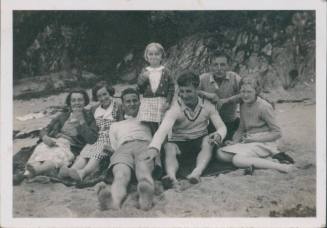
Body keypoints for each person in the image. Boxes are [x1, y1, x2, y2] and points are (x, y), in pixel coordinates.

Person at [143, 71, 227, 188]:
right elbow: (163, 130)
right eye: (181, 91)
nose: (184, 95)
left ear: (197, 90)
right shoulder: (175, 108)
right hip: (180, 142)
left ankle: (196, 172)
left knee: (209, 140)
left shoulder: (208, 105)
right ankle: (171, 176)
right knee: (169, 146)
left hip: (200, 141)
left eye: (188, 91)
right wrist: (153, 147)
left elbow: (222, 127)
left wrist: (219, 135)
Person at [97, 88, 160, 211]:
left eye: (134, 100)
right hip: (123, 148)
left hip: (144, 144)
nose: (132, 104)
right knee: (121, 175)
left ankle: (145, 198)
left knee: (143, 170)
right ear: (123, 105)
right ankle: (114, 202)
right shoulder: (115, 125)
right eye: (128, 101)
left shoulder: (148, 120)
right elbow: (115, 147)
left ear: (139, 102)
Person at [216, 76, 295, 173]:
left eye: (249, 92)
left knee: (237, 160)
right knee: (220, 154)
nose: (245, 95)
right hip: (249, 141)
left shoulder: (264, 107)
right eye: (243, 92)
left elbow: (277, 133)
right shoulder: (243, 104)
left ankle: (280, 167)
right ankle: (265, 160)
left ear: (256, 92)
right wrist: (234, 141)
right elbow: (241, 128)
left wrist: (254, 139)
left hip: (264, 142)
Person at [24, 89, 98, 178]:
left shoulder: (90, 117)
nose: (77, 103)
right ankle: (28, 174)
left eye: (80, 100)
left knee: (54, 157)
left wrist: (81, 122)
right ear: (70, 103)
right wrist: (45, 137)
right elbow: (45, 129)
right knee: (40, 153)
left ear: (85, 101)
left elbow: (92, 139)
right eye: (73, 100)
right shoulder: (63, 116)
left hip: (70, 146)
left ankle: (35, 171)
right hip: (54, 141)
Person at [59, 81, 123, 181]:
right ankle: (72, 170)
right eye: (99, 96)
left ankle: (83, 173)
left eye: (105, 94)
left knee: (97, 154)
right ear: (96, 98)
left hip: (111, 139)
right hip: (97, 138)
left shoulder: (118, 106)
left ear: (110, 93)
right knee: (85, 153)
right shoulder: (95, 109)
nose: (103, 98)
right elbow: (90, 125)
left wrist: (116, 145)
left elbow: (122, 126)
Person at [198, 52, 241, 140]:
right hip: (206, 123)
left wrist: (227, 100)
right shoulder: (203, 78)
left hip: (229, 122)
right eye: (215, 65)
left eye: (222, 65)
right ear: (210, 66)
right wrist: (207, 95)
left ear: (228, 66)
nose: (219, 69)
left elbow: (247, 94)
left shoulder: (235, 78)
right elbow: (189, 91)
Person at [137, 42, 175, 134]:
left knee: (163, 124)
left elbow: (171, 87)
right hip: (148, 101)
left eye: (157, 54)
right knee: (150, 125)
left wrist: (168, 101)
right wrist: (143, 79)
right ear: (146, 56)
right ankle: (152, 142)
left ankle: (162, 143)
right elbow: (140, 88)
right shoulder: (145, 71)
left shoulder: (165, 71)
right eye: (150, 54)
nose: (153, 56)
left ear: (162, 56)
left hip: (161, 100)